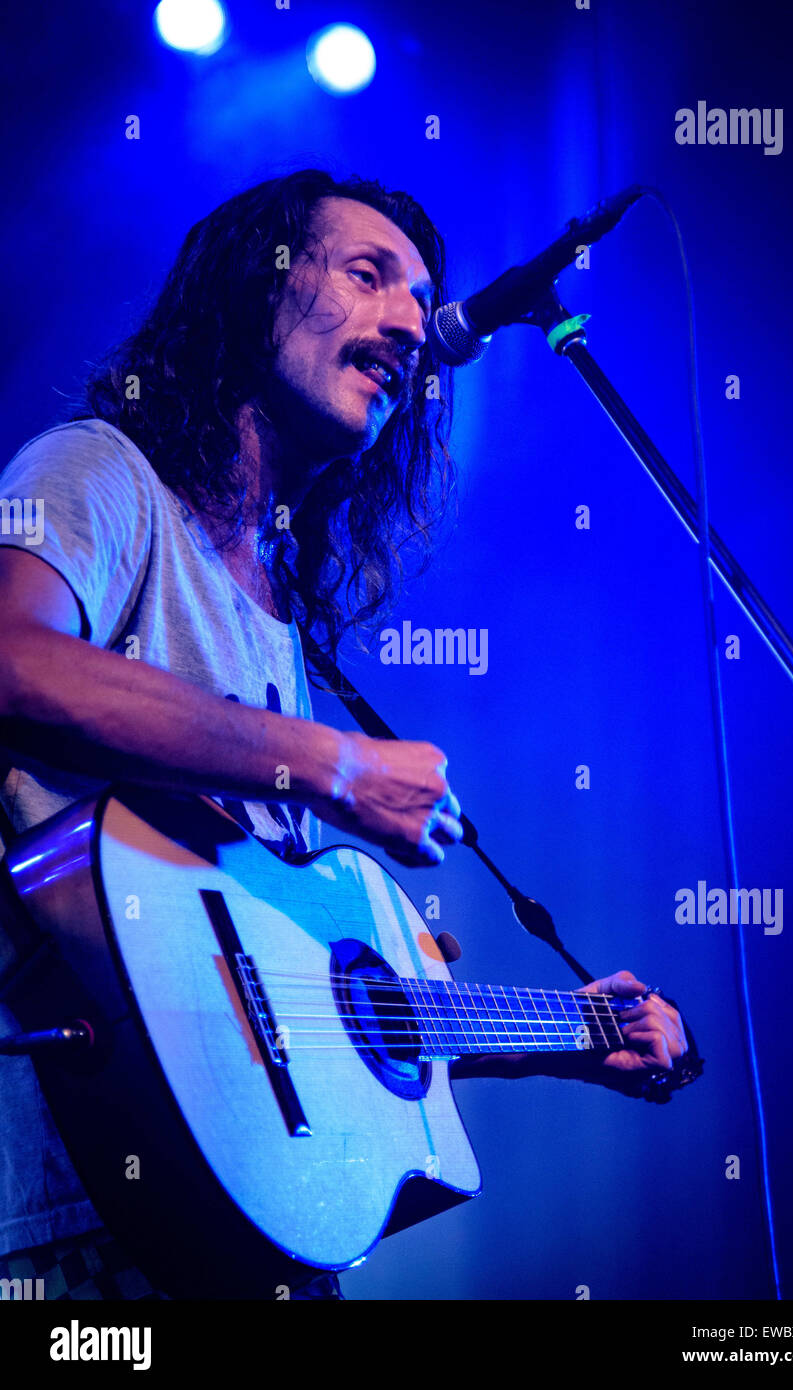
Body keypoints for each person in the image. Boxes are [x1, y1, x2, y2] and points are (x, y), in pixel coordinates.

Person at [0, 169, 687, 1300]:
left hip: (245, 1223)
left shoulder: (277, 610)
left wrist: (560, 1033)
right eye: (369, 274)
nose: (416, 322)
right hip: (90, 1220)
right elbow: (10, 660)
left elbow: (274, 1003)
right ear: (249, 293)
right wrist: (338, 767)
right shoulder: (99, 474)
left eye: (423, 297)